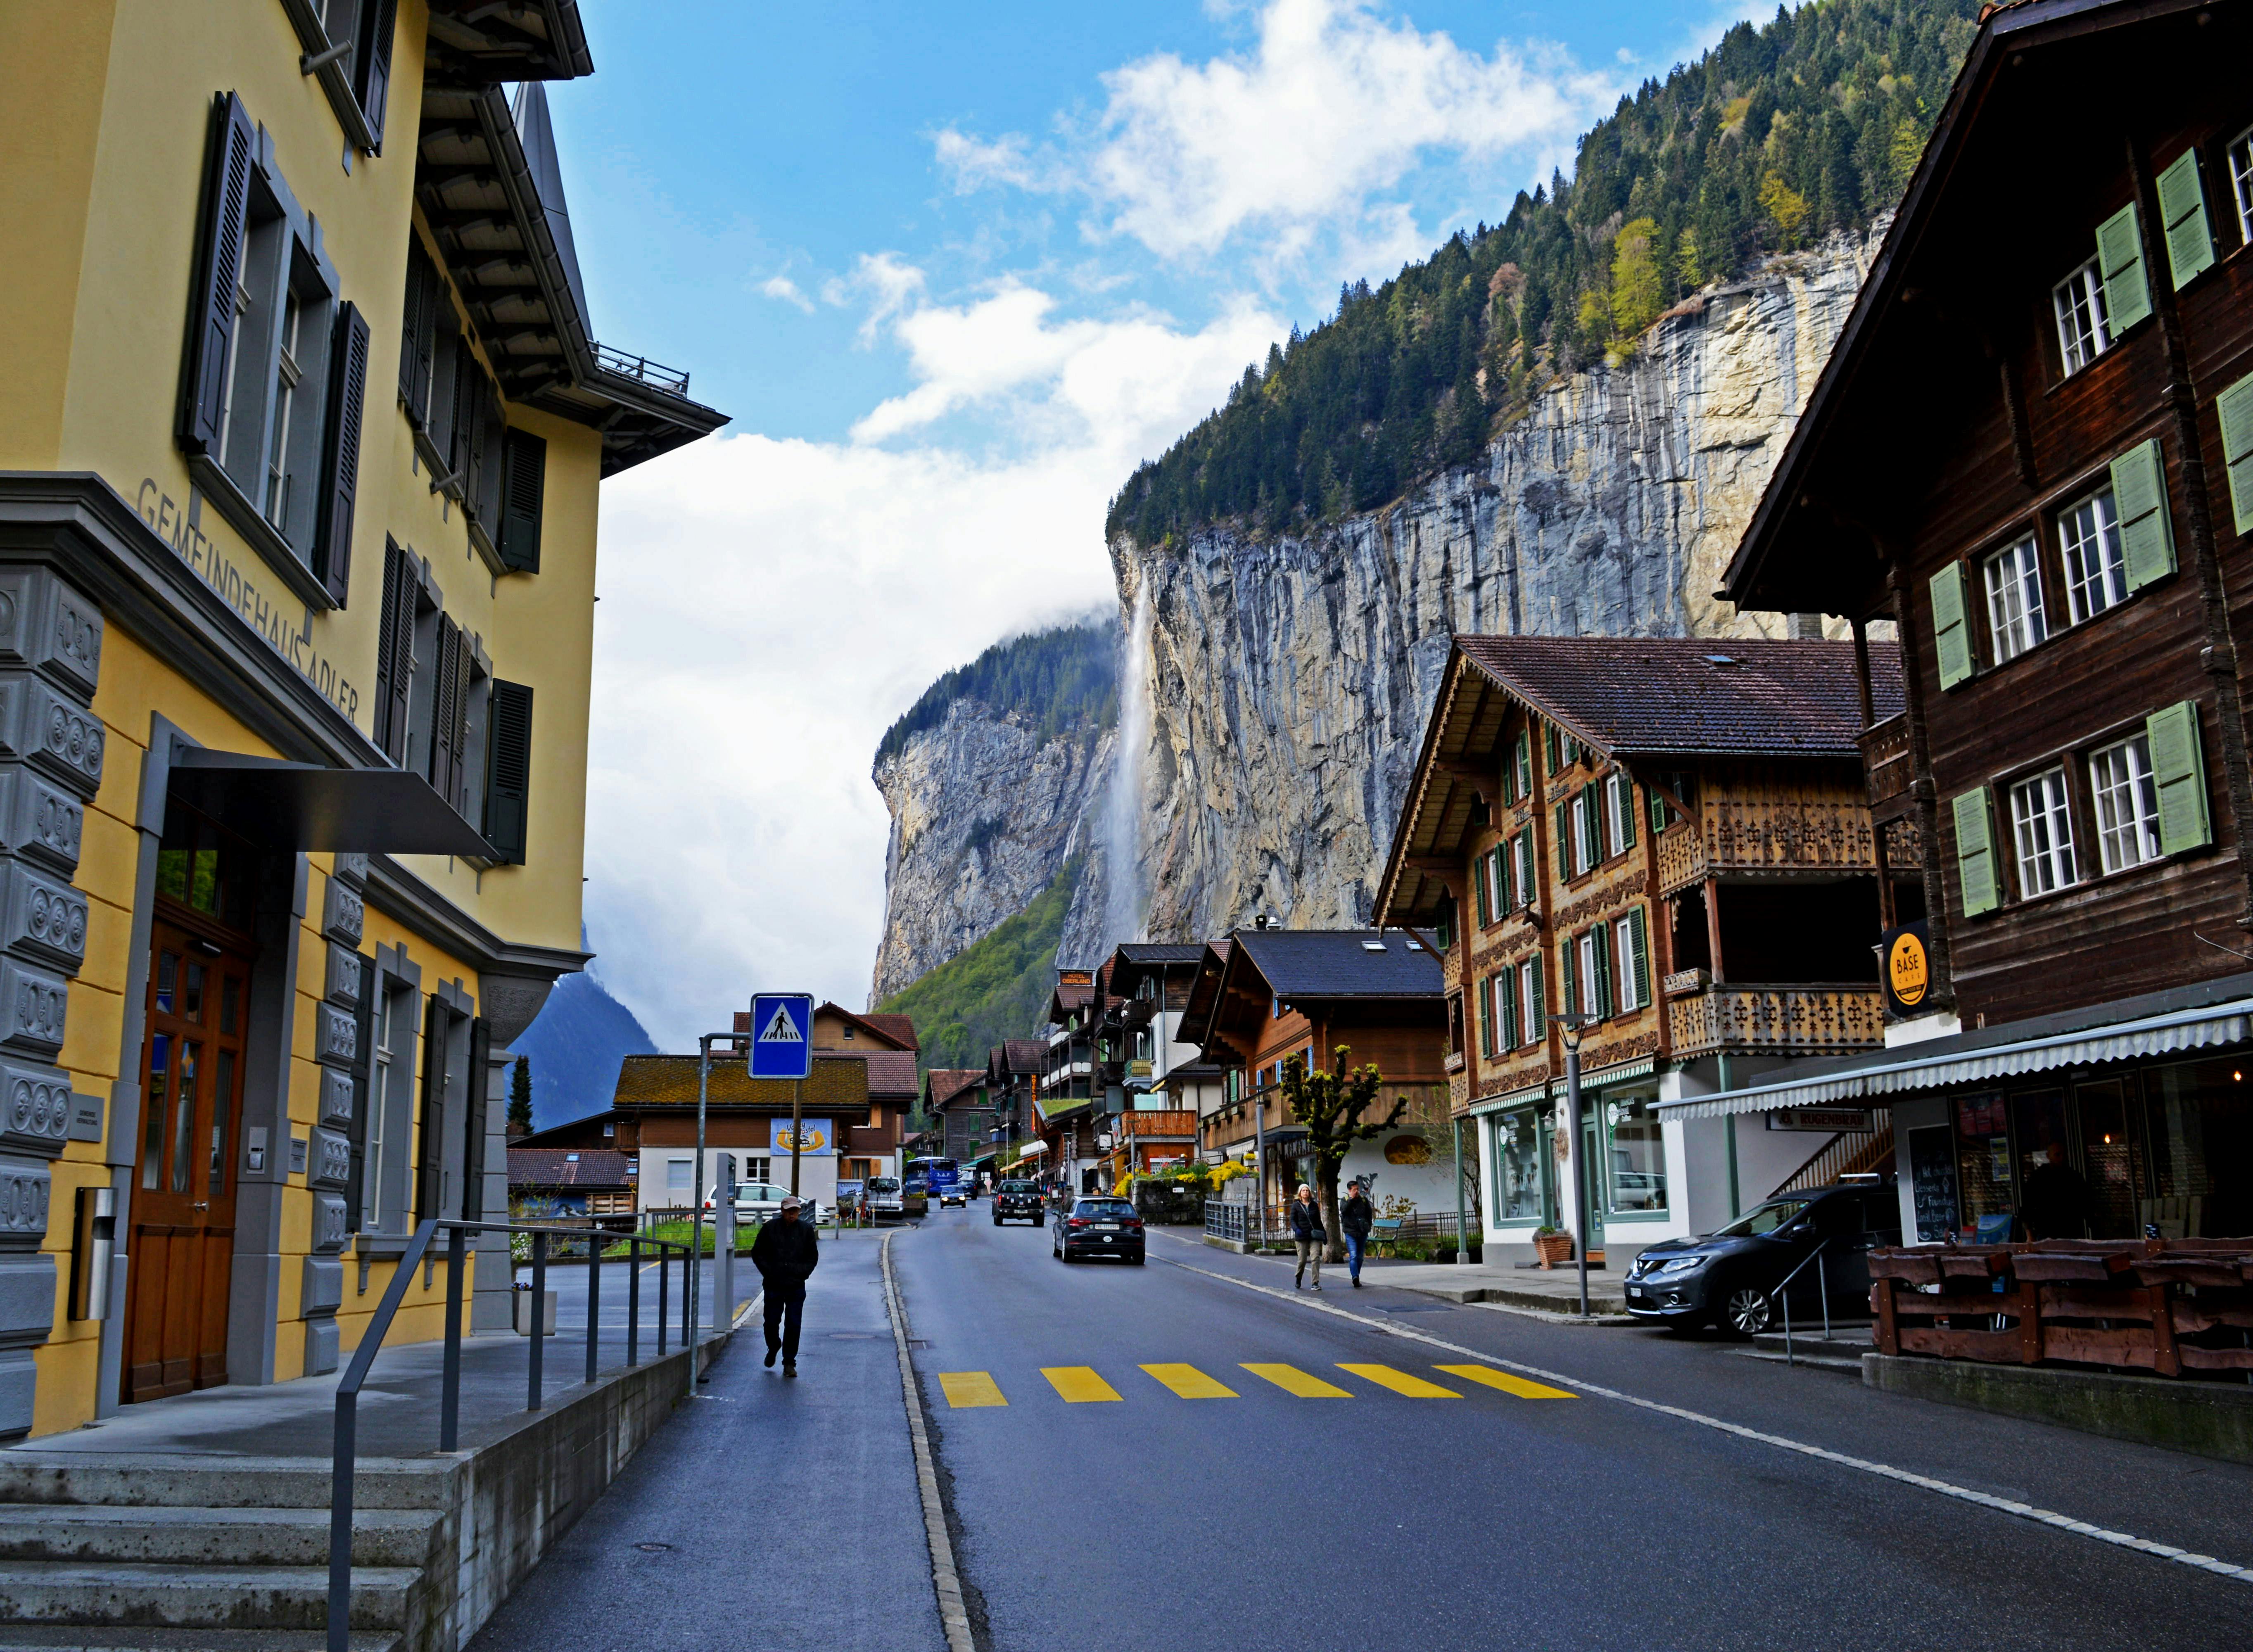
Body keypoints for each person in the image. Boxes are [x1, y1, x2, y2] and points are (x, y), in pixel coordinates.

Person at [749, 1194, 820, 1377]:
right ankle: (773, 1346)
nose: (792, 1214)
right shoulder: (770, 1229)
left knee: (794, 1324)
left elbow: (812, 1257)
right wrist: (770, 1273)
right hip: (774, 1285)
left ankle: (789, 1362)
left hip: (796, 1286)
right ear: (782, 1211)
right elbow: (758, 1253)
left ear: (799, 1212)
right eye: (789, 1211)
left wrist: (802, 1274)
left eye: (795, 1211)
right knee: (771, 1322)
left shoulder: (806, 1230)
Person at [2020, 1142, 2093, 1241]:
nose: (2062, 1158)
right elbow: (2027, 1207)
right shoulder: (2039, 1177)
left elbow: (2086, 1206)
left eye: (2064, 1155)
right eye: (2058, 1155)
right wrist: (2030, 1234)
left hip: (2071, 1232)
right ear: (2048, 1156)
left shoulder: (2074, 1177)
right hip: (2049, 1233)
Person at [1288, 1183, 1325, 1290]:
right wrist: (1297, 1229)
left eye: (1307, 1190)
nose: (1305, 1192)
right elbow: (1292, 1221)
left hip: (1314, 1235)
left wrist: (1324, 1234)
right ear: (1300, 1193)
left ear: (1310, 1193)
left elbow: (1318, 1221)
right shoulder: (1296, 1206)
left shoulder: (1314, 1205)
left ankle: (1315, 1283)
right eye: (1303, 1191)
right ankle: (1299, 1277)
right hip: (1301, 1236)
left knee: (1315, 1258)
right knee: (1302, 1261)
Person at [1340, 1180, 1373, 1288]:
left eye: (1358, 1189)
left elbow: (1369, 1214)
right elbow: (1344, 1211)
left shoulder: (1363, 1200)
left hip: (1362, 1232)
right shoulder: (1345, 1200)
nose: (1357, 1192)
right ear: (1350, 1190)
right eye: (1355, 1190)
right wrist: (1351, 1199)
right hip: (1350, 1232)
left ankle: (1356, 1275)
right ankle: (1355, 1276)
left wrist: (1368, 1226)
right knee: (1353, 1255)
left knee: (1360, 1257)